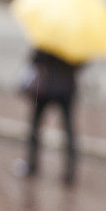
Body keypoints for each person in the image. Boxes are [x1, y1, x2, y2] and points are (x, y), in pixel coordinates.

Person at [21, 49, 81, 185]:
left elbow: (35, 59)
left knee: (36, 127)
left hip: (46, 87)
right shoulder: (74, 43)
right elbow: (80, 64)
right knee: (68, 130)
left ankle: (32, 163)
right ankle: (70, 170)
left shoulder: (47, 39)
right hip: (65, 88)